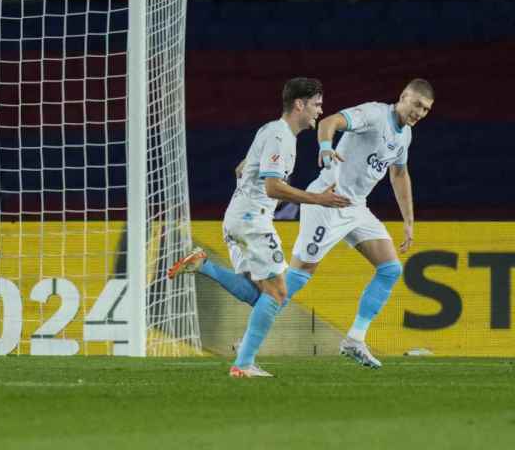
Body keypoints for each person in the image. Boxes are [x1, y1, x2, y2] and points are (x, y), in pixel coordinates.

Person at [167, 78, 349, 377]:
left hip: (238, 217)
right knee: (278, 294)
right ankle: (243, 364)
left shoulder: (269, 129)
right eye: (316, 104)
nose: (320, 110)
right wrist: (317, 199)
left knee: (261, 296)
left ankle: (203, 266)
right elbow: (274, 187)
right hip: (252, 221)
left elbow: (241, 168)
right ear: (299, 104)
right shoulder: (280, 136)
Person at [283, 79, 434, 369]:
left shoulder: (405, 136)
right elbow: (330, 121)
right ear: (403, 97)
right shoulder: (375, 115)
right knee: (299, 276)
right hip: (327, 199)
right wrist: (326, 148)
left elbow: (399, 175)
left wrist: (409, 221)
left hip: (355, 207)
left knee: (390, 269)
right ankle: (254, 325)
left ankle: (354, 339)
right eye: (416, 104)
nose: (419, 112)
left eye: (425, 109)